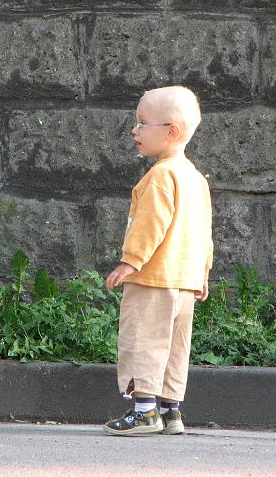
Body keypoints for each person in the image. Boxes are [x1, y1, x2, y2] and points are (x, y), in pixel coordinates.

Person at [103, 85, 213, 436]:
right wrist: (203, 271)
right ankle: (171, 411)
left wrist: (130, 262)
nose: (134, 130)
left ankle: (144, 411)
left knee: (142, 341)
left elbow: (151, 224)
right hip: (185, 280)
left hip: (154, 278)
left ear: (172, 131)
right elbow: (203, 230)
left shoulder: (160, 176)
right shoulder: (195, 178)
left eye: (142, 123)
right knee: (174, 346)